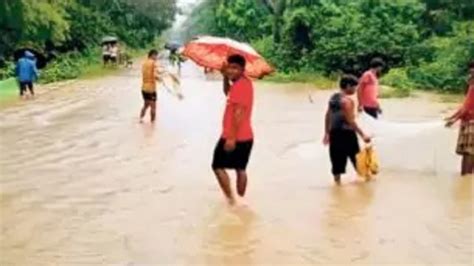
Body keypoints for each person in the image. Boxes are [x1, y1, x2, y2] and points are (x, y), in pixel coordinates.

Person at [212, 54, 254, 205]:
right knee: (240, 168)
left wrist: (231, 137)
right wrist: (224, 77)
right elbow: (227, 93)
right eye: (230, 67)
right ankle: (242, 201)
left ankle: (231, 200)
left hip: (234, 135)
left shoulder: (241, 86)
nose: (231, 70)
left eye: (235, 68)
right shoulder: (243, 84)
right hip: (246, 136)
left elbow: (239, 113)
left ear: (243, 70)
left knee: (217, 166)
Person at [324, 75, 371, 184]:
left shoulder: (333, 98)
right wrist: (363, 135)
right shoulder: (348, 101)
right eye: (354, 87)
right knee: (357, 159)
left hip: (334, 133)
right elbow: (351, 121)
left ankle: (337, 184)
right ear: (348, 86)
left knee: (336, 160)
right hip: (347, 134)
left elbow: (327, 115)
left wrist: (326, 133)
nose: (355, 90)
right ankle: (365, 185)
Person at [445, 61, 474, 176]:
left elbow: (466, 108)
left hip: (470, 124)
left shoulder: (473, 87)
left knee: (468, 152)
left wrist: (454, 119)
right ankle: (468, 182)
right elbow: (465, 106)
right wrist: (452, 117)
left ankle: (465, 177)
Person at [140, 49, 160, 123]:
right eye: (156, 56)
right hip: (151, 89)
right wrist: (159, 78)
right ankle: (153, 124)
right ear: (153, 55)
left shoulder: (144, 63)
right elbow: (155, 75)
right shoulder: (153, 63)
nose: (156, 57)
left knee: (146, 105)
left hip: (144, 88)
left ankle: (141, 119)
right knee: (153, 107)